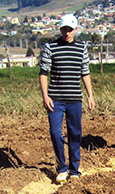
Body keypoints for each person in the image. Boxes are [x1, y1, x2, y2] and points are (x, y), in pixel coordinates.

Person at [39, 13, 95, 184]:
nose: (67, 33)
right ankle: (61, 167)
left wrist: (90, 95)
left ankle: (74, 169)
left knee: (75, 133)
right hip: (55, 98)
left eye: (70, 30)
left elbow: (85, 72)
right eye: (64, 29)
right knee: (55, 133)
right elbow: (43, 73)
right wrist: (45, 95)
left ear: (75, 30)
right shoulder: (51, 47)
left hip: (74, 99)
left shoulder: (81, 48)